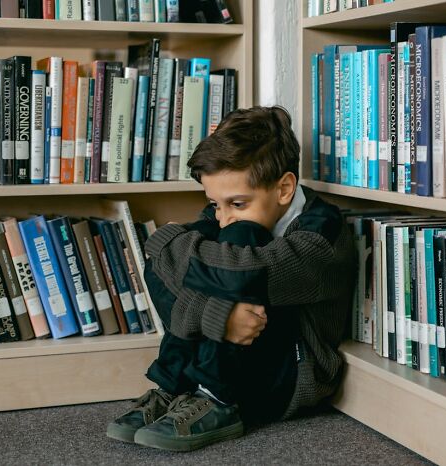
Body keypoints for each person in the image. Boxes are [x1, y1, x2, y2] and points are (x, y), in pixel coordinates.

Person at [106, 106, 356, 452]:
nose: (222, 217)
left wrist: (171, 243)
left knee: (240, 242)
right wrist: (222, 319)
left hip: (292, 373)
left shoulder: (321, 233)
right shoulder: (226, 212)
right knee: (206, 262)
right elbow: (158, 262)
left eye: (236, 203)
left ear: (284, 188)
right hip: (243, 356)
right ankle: (177, 388)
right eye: (213, 203)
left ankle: (216, 397)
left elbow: (238, 271)